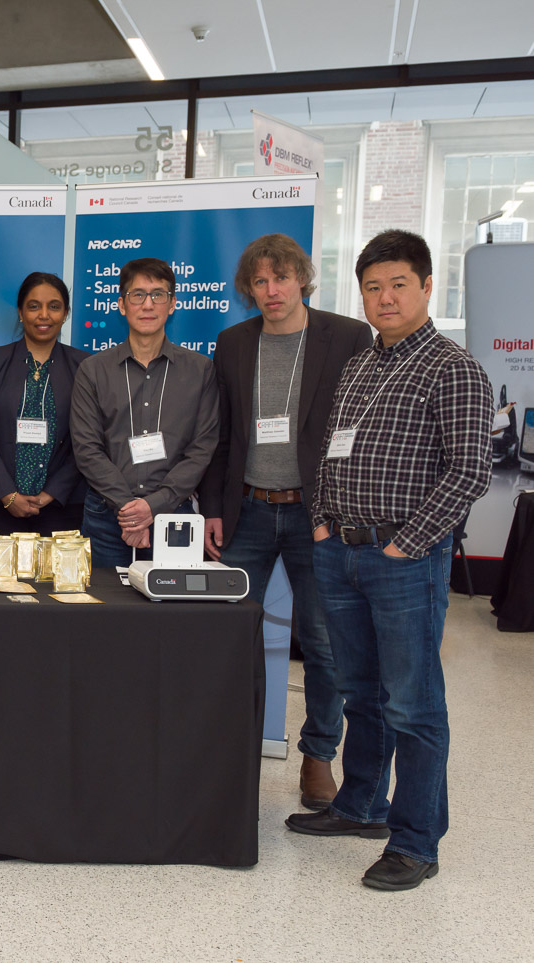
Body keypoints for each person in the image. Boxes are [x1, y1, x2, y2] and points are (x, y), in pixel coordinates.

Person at [287, 230, 492, 892]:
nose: (385, 297)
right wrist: (320, 521)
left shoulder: (454, 367)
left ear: (427, 286)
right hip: (339, 553)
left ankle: (415, 840)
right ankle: (361, 806)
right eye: (373, 286)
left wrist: (409, 540)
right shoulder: (359, 364)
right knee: (361, 693)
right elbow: (327, 450)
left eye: (399, 283)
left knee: (412, 703)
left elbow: (469, 471)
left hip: (403, 558)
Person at [199, 234, 373, 812]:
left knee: (323, 644)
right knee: (228, 638)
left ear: (303, 278)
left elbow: (359, 432)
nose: (271, 290)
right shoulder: (231, 343)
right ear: (249, 289)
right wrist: (215, 509)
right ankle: (228, 751)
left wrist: (335, 510)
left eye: (281, 278)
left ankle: (318, 756)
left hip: (314, 515)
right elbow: (220, 435)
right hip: (245, 509)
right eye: (259, 281)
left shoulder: (347, 337)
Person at [69, 257, 219, 569]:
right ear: (122, 305)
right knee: (104, 610)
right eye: (137, 295)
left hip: (174, 516)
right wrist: (129, 509)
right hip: (107, 518)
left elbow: (202, 448)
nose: (147, 304)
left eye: (158, 294)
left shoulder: (200, 369)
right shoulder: (94, 370)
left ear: (172, 303)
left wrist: (152, 506)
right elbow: (87, 449)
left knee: (172, 615)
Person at [0, 272, 92, 534]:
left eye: (54, 307)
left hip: (62, 505)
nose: (44, 315)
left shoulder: (84, 367)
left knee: (55, 577)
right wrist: (7, 494)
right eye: (34, 306)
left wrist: (52, 492)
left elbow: (87, 441)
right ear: (21, 313)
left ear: (66, 313)